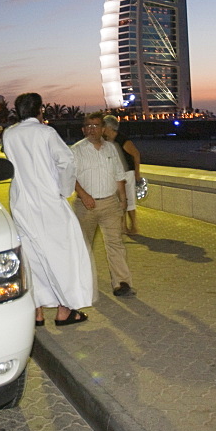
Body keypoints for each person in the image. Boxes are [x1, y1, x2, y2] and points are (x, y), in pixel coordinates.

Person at [2, 93, 94, 326]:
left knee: (31, 256)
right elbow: (67, 161)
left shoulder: (9, 134)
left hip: (22, 201)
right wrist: (63, 190)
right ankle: (65, 310)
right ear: (40, 109)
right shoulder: (46, 133)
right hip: (48, 201)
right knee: (64, 254)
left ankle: (37, 311)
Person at [72, 112, 135, 297]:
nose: (92, 130)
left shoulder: (111, 149)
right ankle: (82, 284)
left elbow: (118, 176)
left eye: (96, 126)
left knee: (115, 244)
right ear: (83, 129)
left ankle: (122, 283)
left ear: (103, 129)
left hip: (110, 204)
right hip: (85, 207)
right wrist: (83, 195)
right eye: (88, 126)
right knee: (83, 246)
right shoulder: (75, 151)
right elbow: (69, 177)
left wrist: (123, 200)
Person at [102, 114, 141, 235]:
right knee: (120, 201)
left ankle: (133, 225)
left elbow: (136, 154)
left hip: (127, 173)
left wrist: (137, 174)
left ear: (109, 127)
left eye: (104, 126)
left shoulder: (123, 140)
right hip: (116, 175)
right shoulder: (107, 141)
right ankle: (123, 227)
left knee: (129, 200)